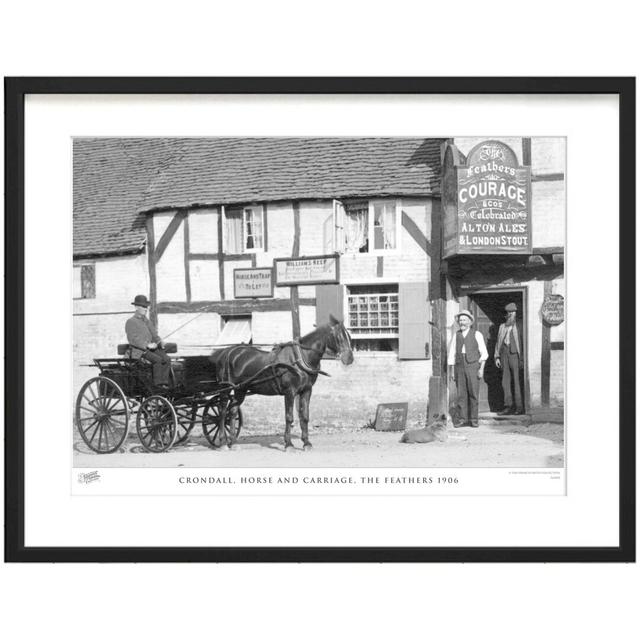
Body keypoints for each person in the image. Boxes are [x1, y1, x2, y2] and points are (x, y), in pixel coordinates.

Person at [447, 310, 488, 428]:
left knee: (473, 393)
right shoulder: (457, 335)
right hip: (459, 366)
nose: (462, 322)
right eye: (460, 320)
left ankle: (474, 419)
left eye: (464, 320)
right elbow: (452, 354)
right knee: (461, 394)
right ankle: (462, 419)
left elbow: (484, 354)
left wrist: (481, 369)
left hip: (473, 366)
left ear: (470, 322)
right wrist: (452, 371)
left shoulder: (477, 334)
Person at [125, 294, 171, 388]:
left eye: (146, 307)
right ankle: (157, 385)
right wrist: (147, 345)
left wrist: (160, 341)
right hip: (138, 351)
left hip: (150, 350)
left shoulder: (147, 321)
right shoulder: (131, 321)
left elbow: (154, 335)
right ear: (136, 307)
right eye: (143, 307)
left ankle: (164, 383)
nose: (146, 309)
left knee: (167, 359)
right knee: (158, 360)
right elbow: (133, 339)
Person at [494, 302, 525, 415]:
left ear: (516, 313)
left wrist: (522, 358)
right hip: (504, 355)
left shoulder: (520, 325)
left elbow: (523, 343)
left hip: (515, 355)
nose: (510, 314)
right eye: (509, 312)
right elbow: (498, 342)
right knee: (505, 381)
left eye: (512, 312)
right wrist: (497, 356)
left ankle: (519, 407)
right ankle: (508, 406)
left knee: (517, 380)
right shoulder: (502, 326)